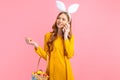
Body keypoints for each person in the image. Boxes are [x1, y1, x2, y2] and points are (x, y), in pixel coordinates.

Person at [25, 11, 74, 80]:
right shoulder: (48, 36)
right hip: (51, 71)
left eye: (63, 19)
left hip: (64, 72)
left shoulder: (70, 37)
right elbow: (46, 56)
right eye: (58, 18)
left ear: (68, 23)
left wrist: (65, 36)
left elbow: (70, 55)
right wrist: (35, 45)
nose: (60, 20)